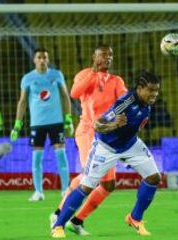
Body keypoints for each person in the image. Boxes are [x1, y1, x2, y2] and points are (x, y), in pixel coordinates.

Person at [51, 70, 161, 238]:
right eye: (151, 90)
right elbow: (98, 125)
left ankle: (135, 218)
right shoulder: (124, 103)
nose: (154, 94)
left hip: (130, 145)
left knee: (154, 177)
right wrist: (114, 125)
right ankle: (58, 226)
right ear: (140, 88)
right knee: (87, 186)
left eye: (156, 91)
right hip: (106, 147)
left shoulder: (147, 103)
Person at [50, 44, 127, 236]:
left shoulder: (116, 80)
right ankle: (58, 213)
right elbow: (75, 93)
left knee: (108, 184)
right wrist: (93, 72)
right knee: (89, 175)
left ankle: (76, 221)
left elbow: (124, 101)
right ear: (94, 57)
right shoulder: (84, 74)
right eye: (103, 55)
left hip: (108, 135)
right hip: (88, 132)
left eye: (110, 55)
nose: (107, 58)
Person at [10, 48, 73, 201]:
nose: (42, 60)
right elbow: (23, 101)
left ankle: (66, 189)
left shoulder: (56, 75)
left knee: (61, 156)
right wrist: (17, 125)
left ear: (48, 59)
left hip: (56, 122)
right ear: (34, 60)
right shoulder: (28, 78)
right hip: (37, 124)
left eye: (45, 57)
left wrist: (68, 119)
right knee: (37, 157)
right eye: (39, 57)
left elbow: (65, 97)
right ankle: (38, 192)